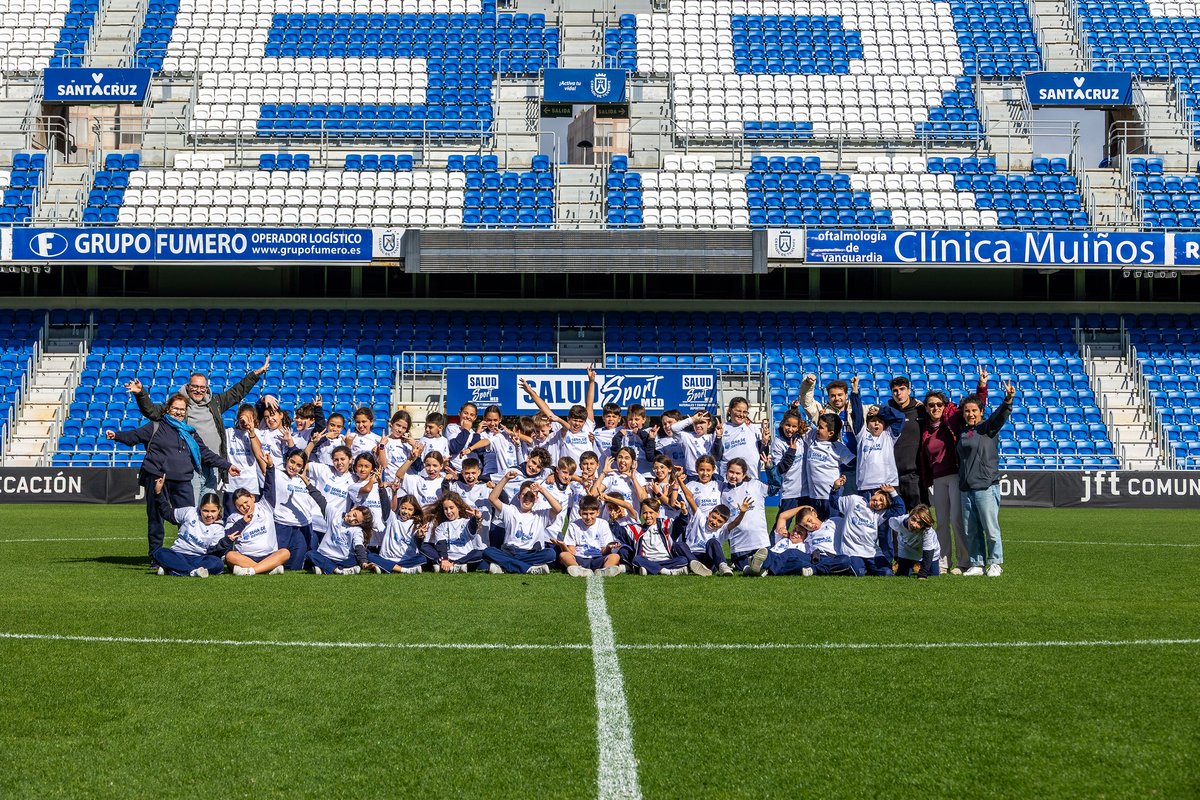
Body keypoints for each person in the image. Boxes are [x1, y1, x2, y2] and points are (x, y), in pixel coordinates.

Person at [107, 392, 239, 560]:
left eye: (182, 409)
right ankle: (156, 557)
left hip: (183, 480)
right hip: (157, 478)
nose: (179, 412)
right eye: (175, 408)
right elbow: (135, 436)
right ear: (168, 409)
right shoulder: (155, 426)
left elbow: (204, 453)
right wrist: (116, 436)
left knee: (190, 518)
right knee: (156, 518)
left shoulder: (189, 432)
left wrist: (227, 465)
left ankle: (188, 553)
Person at [128, 356, 268, 496]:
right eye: (195, 386)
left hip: (213, 467)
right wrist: (140, 394)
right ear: (188, 387)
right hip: (191, 466)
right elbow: (152, 411)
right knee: (192, 510)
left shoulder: (216, 403)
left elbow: (237, 392)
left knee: (208, 510)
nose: (198, 390)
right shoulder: (179, 406)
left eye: (202, 387)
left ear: (206, 389)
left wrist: (256, 374)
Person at [919, 368, 989, 574]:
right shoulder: (925, 428)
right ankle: (942, 562)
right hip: (938, 479)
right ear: (926, 407)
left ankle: (964, 562)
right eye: (931, 405)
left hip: (956, 475)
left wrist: (982, 385)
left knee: (958, 520)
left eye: (939, 404)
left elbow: (975, 407)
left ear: (945, 405)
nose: (935, 408)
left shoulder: (953, 419)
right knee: (941, 522)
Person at [957, 381, 1016, 577]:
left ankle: (995, 562)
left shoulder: (988, 428)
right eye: (967, 411)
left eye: (974, 410)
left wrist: (1007, 400)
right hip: (966, 488)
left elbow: (1000, 417)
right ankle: (977, 563)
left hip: (986, 486)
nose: (970, 414)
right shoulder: (963, 432)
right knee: (971, 529)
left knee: (990, 528)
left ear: (981, 411)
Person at [149, 476, 233, 577]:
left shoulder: (219, 528)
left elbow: (213, 553)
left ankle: (173, 569)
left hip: (199, 558)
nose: (209, 515)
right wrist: (158, 493)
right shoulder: (189, 512)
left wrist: (225, 543)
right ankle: (191, 571)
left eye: (213, 511)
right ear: (200, 508)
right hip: (179, 554)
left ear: (219, 510)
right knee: (159, 552)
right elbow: (167, 513)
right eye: (205, 511)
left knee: (218, 564)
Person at [483, 470, 562, 574]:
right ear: (519, 497)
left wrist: (542, 490)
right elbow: (492, 499)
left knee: (550, 553)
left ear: (536, 499)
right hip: (510, 552)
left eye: (532, 496)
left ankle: (505, 566)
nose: (527, 499)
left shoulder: (541, 515)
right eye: (525, 495)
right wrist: (506, 478)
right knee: (488, 551)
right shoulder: (511, 511)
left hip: (531, 553)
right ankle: (529, 568)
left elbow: (558, 508)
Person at [520, 368, 597, 464]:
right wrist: (530, 392)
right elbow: (545, 409)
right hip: (567, 475)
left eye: (580, 421)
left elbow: (589, 404)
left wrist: (591, 382)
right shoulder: (561, 428)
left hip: (588, 472)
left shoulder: (588, 426)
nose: (577, 424)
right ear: (568, 419)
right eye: (574, 420)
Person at [303, 474, 373, 575]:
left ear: (359, 524)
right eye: (353, 515)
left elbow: (359, 547)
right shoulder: (335, 514)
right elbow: (319, 499)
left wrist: (364, 564)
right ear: (353, 508)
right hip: (325, 555)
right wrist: (306, 480)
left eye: (356, 521)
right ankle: (339, 570)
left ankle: (325, 568)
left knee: (355, 558)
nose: (351, 519)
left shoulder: (356, 531)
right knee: (310, 554)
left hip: (342, 559)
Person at [223, 487, 291, 575]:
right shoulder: (234, 517)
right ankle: (268, 569)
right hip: (245, 557)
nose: (245, 507)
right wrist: (243, 521)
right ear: (236, 507)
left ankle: (251, 571)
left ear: (252, 497)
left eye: (246, 502)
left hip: (268, 555)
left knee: (285, 553)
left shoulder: (265, 506)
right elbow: (227, 535)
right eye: (240, 506)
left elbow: (269, 485)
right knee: (230, 556)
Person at [720, 456, 769, 571]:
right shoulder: (722, 489)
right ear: (726, 472)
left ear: (744, 474)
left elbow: (775, 486)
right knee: (742, 567)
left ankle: (753, 566)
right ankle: (751, 567)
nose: (733, 476)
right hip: (739, 546)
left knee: (766, 563)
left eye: (738, 473)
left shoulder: (755, 484)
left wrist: (770, 467)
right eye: (731, 472)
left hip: (759, 541)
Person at [558, 495, 627, 577]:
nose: (588, 517)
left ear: (598, 512)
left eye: (591, 514)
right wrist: (563, 546)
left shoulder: (603, 524)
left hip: (598, 558)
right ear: (580, 513)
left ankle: (605, 570)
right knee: (563, 555)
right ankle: (577, 569)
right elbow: (571, 552)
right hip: (580, 558)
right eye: (585, 514)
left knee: (615, 556)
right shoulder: (574, 525)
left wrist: (609, 547)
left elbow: (604, 552)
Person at [887, 375, 927, 512]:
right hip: (892, 475)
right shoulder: (887, 412)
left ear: (909, 391)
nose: (899, 394)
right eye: (895, 391)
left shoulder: (921, 410)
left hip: (915, 474)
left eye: (902, 389)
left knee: (919, 517)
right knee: (896, 519)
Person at [369, 493, 430, 574]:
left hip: (407, 559)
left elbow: (419, 543)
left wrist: (419, 536)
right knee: (369, 556)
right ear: (399, 507)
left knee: (422, 559)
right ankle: (404, 570)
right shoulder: (391, 518)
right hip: (387, 558)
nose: (405, 512)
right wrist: (381, 487)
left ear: (414, 511)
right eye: (403, 508)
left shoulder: (416, 524)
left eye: (410, 509)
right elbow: (385, 504)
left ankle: (387, 567)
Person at [429, 492, 489, 573]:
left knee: (481, 552)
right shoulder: (441, 526)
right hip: (448, 559)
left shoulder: (465, 522)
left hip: (465, 558)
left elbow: (472, 525)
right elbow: (441, 545)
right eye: (445, 509)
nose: (448, 511)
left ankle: (453, 566)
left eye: (451, 508)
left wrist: (476, 518)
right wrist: (445, 559)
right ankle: (447, 565)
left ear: (458, 507)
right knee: (425, 547)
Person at [718, 396, 767, 476]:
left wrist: (764, 442)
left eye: (745, 412)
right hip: (730, 479)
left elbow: (763, 453)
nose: (741, 415)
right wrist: (718, 437)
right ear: (730, 410)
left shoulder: (752, 427)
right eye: (738, 411)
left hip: (751, 477)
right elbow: (717, 455)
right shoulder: (722, 429)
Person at [890, 504, 940, 579]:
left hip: (927, 552)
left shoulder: (927, 531)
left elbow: (928, 552)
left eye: (919, 523)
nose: (914, 525)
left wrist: (923, 575)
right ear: (910, 514)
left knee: (934, 576)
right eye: (913, 519)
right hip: (907, 550)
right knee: (902, 575)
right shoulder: (898, 521)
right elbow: (887, 521)